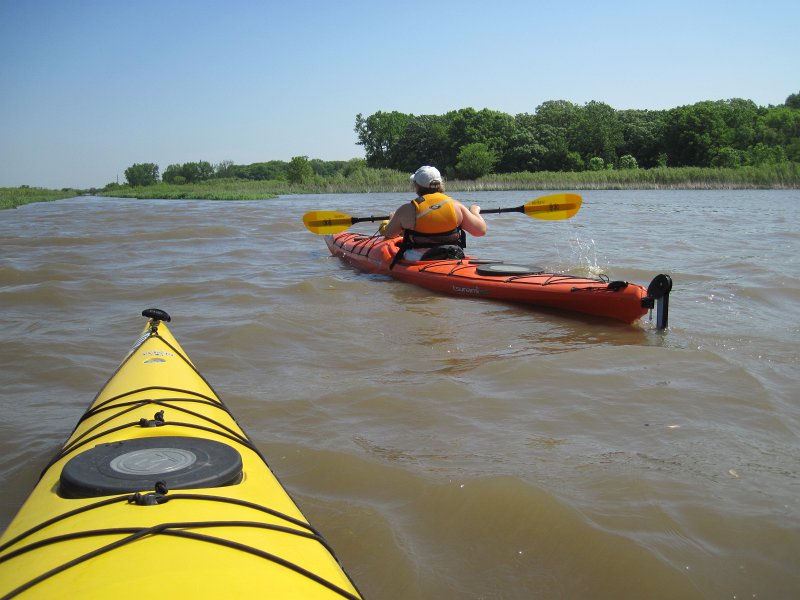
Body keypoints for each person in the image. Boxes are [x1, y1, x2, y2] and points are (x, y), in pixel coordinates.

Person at [380, 165, 486, 262]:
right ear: (440, 184)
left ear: (417, 186)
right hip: (452, 255)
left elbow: (389, 234)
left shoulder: (407, 209)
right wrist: (474, 211)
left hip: (419, 258)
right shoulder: (456, 206)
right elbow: (480, 231)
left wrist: (392, 219)